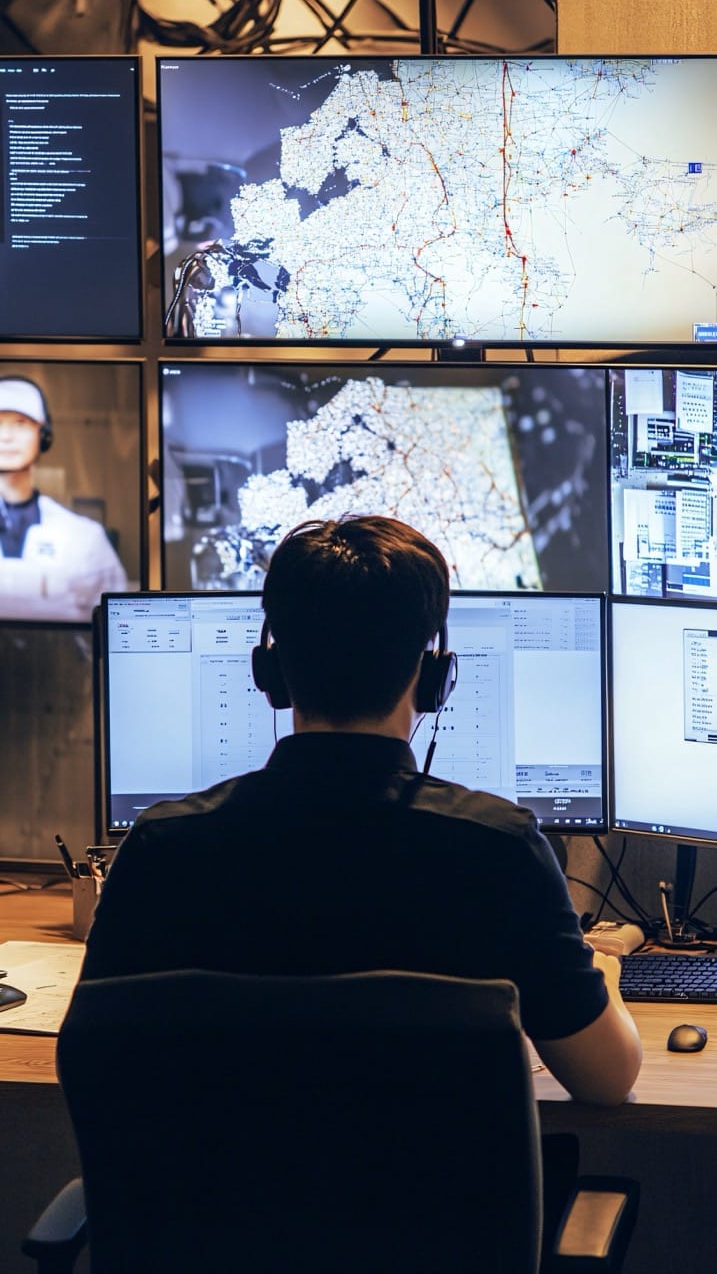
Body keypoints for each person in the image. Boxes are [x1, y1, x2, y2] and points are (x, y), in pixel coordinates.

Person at [81, 513, 641, 1109]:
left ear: (268, 672)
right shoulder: (499, 851)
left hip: (217, 1203)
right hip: (433, 1204)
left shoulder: (163, 847)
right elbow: (607, 1081)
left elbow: (90, 1066)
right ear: (434, 677)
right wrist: (602, 982)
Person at [0, 376, 128, 622]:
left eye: (20, 424)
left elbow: (116, 626)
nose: (6, 437)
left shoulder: (84, 538)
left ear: (44, 436)